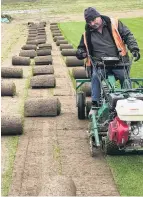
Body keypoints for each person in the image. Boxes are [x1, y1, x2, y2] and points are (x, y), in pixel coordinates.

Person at [76, 7, 140, 114]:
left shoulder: (114, 24)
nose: (92, 23)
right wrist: (80, 53)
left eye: (94, 20)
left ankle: (128, 100)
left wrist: (134, 49)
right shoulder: (86, 34)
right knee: (96, 77)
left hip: (119, 62)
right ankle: (95, 104)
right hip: (100, 65)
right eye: (89, 22)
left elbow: (128, 35)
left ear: (99, 16)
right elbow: (81, 48)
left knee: (124, 77)